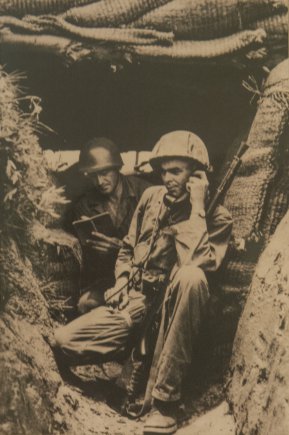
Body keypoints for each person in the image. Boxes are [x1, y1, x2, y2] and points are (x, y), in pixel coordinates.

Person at [55, 131, 233, 434]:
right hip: (136, 302)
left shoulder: (217, 217)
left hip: (174, 316)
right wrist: (122, 280)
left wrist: (198, 207)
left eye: (176, 171)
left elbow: (195, 262)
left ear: (197, 175)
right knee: (63, 342)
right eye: (163, 170)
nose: (167, 178)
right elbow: (127, 247)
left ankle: (165, 403)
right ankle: (129, 357)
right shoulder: (151, 198)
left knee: (191, 277)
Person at [65, 137, 151, 314]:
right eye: (93, 175)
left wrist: (121, 249)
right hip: (108, 280)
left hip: (145, 277)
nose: (99, 181)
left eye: (104, 173)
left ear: (117, 168)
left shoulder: (145, 193)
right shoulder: (85, 205)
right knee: (84, 304)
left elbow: (159, 243)